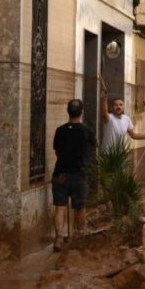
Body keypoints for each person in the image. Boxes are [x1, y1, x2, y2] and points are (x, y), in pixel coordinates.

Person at [52, 99, 96, 251]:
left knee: (60, 207)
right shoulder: (87, 131)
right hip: (79, 174)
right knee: (80, 207)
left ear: (67, 111)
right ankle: (80, 236)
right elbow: (94, 146)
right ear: (81, 112)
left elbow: (56, 150)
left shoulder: (60, 130)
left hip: (60, 174)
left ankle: (58, 239)